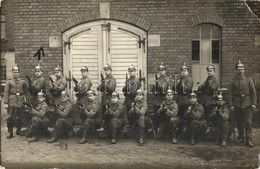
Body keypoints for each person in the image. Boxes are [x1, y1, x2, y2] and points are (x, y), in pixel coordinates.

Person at [229, 60, 257, 147]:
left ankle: (249, 139)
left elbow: (253, 93)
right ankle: (241, 136)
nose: (240, 70)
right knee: (239, 122)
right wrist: (231, 105)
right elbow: (230, 94)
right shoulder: (233, 81)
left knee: (248, 122)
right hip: (237, 104)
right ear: (235, 70)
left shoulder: (249, 80)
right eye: (239, 68)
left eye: (242, 68)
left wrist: (254, 103)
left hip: (247, 104)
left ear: (244, 70)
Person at [4, 64, 28, 138]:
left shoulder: (23, 82)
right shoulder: (9, 82)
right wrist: (6, 103)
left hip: (20, 101)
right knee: (10, 117)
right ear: (12, 72)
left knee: (20, 116)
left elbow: (26, 91)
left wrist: (24, 98)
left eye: (17, 72)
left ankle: (19, 130)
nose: (16, 73)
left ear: (19, 73)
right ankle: (10, 132)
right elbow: (6, 92)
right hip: (12, 101)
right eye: (14, 72)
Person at [152, 63, 170, 130]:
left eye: (162, 70)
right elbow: (153, 91)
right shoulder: (157, 79)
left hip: (163, 100)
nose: (161, 71)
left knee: (163, 116)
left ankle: (162, 132)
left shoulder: (167, 79)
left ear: (165, 71)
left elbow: (165, 90)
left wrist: (159, 85)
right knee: (156, 116)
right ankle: (156, 131)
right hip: (156, 100)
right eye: (159, 70)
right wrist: (154, 86)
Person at [176, 62, 193, 135]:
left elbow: (188, 88)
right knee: (180, 117)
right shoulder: (180, 79)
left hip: (186, 100)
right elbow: (176, 89)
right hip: (180, 100)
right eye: (182, 71)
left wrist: (181, 83)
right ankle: (181, 132)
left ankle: (187, 133)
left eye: (185, 71)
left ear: (188, 72)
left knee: (186, 117)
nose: (183, 73)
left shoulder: (189, 79)